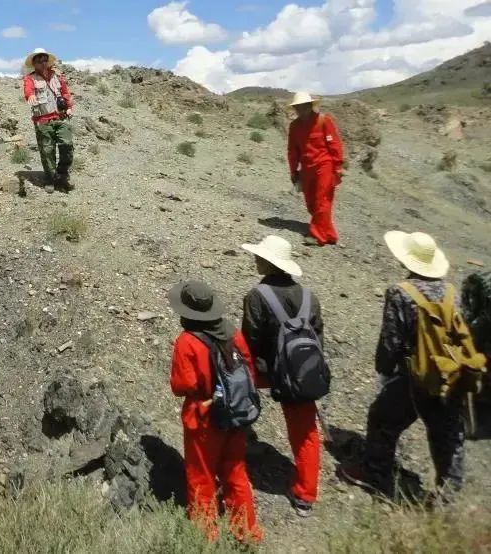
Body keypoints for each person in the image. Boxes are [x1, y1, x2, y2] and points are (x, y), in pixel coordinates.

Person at [339, 231, 471, 500]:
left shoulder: (401, 292)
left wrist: (385, 371)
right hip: (451, 374)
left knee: (383, 419)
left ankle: (375, 474)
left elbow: (391, 341)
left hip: (413, 376)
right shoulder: (452, 292)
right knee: (447, 435)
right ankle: (448, 497)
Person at [169, 279, 263, 544]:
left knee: (201, 477)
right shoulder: (232, 332)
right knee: (235, 471)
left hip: (204, 418)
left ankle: (204, 538)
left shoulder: (187, 342)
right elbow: (249, 371)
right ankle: (246, 534)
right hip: (236, 413)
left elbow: (181, 385)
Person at [240, 235, 324, 518]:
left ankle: (233, 454)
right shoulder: (310, 297)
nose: (255, 259)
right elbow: (318, 339)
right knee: (306, 433)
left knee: (232, 401)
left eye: (259, 257)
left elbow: (249, 340)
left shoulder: (257, 296)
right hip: (299, 370)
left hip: (265, 369)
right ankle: (305, 495)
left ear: (267, 262)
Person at [286, 92, 344, 246]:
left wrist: (337, 167)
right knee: (311, 202)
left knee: (322, 200)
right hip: (306, 168)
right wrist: (293, 170)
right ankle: (329, 234)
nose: (300, 109)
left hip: (325, 165)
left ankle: (317, 236)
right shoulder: (295, 126)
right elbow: (293, 150)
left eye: (303, 106)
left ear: (310, 105)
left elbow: (335, 145)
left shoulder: (324, 121)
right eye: (297, 107)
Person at [22, 48, 74, 192]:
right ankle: (51, 179)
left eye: (45, 60)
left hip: (61, 117)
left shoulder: (57, 76)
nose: (43, 63)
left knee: (67, 145)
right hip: (42, 121)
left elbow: (65, 92)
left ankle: (62, 174)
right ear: (34, 64)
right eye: (39, 61)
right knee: (47, 151)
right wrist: (30, 96)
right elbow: (28, 90)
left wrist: (69, 107)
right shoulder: (30, 78)